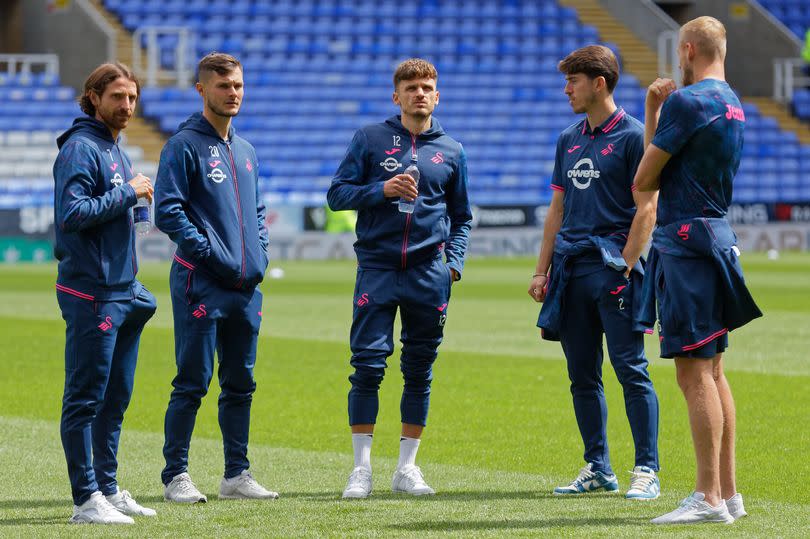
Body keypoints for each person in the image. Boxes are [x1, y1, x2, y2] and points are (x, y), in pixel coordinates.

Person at [633, 16, 762, 524]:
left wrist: (655, 114)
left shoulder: (689, 102)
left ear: (687, 49)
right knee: (713, 370)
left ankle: (707, 498)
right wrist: (654, 112)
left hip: (686, 243)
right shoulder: (733, 102)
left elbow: (645, 178)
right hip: (716, 237)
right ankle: (728, 495)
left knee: (692, 374)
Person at [327, 58, 472, 499]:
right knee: (367, 366)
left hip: (430, 273)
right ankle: (361, 469)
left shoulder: (451, 150)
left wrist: (453, 263)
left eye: (427, 86)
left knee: (419, 370)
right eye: (410, 87)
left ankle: (407, 468)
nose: (419, 93)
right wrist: (381, 190)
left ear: (437, 95)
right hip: (378, 267)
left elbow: (462, 216)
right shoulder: (370, 139)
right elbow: (337, 195)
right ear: (397, 96)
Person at [529, 45, 661, 500]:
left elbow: (648, 208)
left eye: (574, 81)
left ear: (599, 83)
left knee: (631, 369)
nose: (567, 89)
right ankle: (598, 467)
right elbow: (556, 209)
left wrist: (624, 265)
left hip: (613, 271)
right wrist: (541, 270)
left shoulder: (633, 137)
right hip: (570, 272)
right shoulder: (567, 138)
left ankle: (646, 469)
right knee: (582, 376)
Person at [155, 52, 277, 503]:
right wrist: (208, 253)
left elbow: (258, 212)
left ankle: (236, 474)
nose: (233, 93)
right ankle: (176, 476)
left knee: (241, 382)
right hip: (201, 282)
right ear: (202, 90)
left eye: (238, 86)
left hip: (245, 287)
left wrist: (258, 254)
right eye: (223, 86)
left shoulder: (245, 151)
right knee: (193, 379)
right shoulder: (183, 145)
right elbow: (167, 210)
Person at [54, 62, 157, 524]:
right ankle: (85, 499)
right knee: (86, 397)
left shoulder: (114, 148)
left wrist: (134, 199)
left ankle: (108, 486)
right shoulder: (80, 148)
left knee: (116, 396)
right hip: (90, 291)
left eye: (132, 98)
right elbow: (72, 214)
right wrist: (128, 194)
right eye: (117, 97)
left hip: (119, 290)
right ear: (93, 96)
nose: (127, 106)